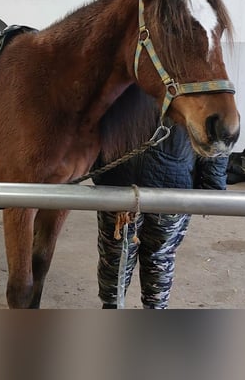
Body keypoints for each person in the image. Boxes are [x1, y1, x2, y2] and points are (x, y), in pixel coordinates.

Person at [92, 90, 228, 309]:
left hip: (161, 190)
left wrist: (211, 190)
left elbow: (217, 128)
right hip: (128, 188)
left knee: (148, 258)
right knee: (122, 258)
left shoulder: (191, 79)